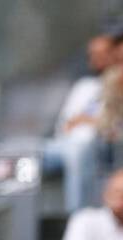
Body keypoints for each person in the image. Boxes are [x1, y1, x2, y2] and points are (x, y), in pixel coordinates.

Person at [42, 34, 116, 214]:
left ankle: (77, 217)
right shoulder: (84, 86)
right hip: (67, 144)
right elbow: (65, 124)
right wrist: (84, 122)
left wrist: (88, 121)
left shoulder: (122, 84)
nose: (97, 58)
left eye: (103, 53)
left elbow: (117, 126)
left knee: (79, 150)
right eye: (93, 54)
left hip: (102, 147)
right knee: (20, 150)